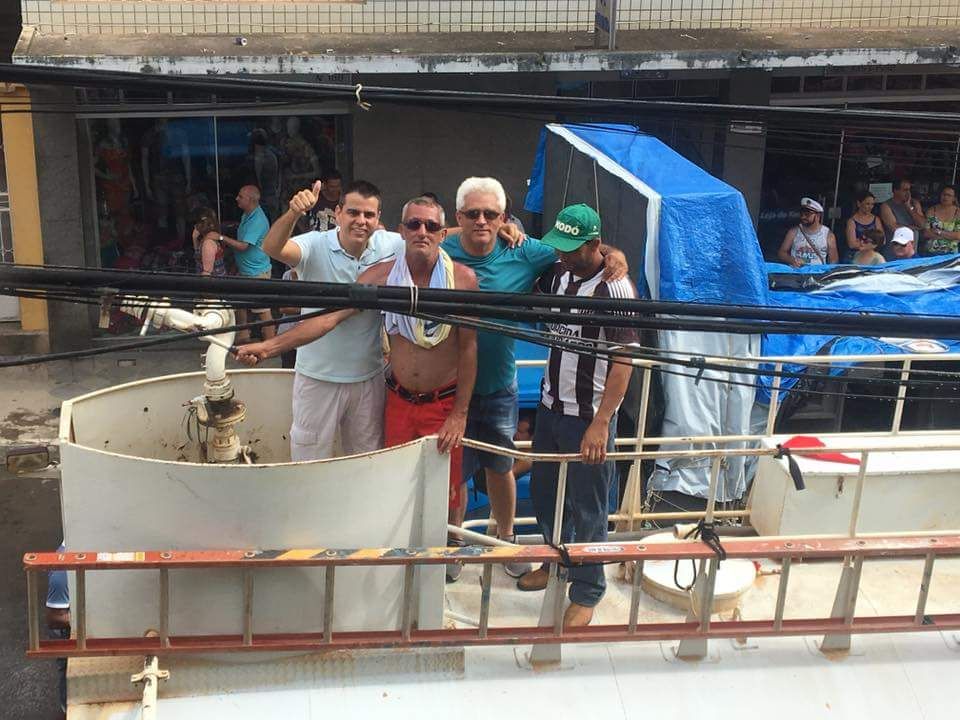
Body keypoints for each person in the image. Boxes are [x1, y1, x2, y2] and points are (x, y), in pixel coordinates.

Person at [442, 177, 628, 579]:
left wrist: (616, 256)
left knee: (514, 472)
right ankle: (460, 547)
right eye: (472, 214)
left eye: (490, 214)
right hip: (467, 392)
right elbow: (420, 235)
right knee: (466, 477)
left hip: (520, 392)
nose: (481, 221)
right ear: (459, 216)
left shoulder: (540, 258)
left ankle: (558, 570)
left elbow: (624, 358)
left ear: (504, 217)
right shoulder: (443, 248)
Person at [516, 204, 638, 628]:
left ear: (594, 244)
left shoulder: (615, 289)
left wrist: (601, 423)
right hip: (551, 408)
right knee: (546, 494)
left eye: (572, 248)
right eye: (560, 247)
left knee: (588, 505)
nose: (563, 255)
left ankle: (587, 590)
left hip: (590, 417)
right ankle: (556, 561)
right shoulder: (558, 274)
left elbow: (623, 362)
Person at [245, 179, 402, 461]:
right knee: (309, 461)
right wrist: (294, 213)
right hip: (317, 378)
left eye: (368, 214)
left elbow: (431, 238)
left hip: (368, 378)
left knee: (367, 461)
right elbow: (272, 247)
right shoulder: (316, 244)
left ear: (378, 218)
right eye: (353, 212)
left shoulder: (389, 244)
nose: (361, 221)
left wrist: (490, 225)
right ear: (338, 213)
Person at [216, 185, 276, 341]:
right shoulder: (247, 214)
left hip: (257, 272)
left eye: (240, 196)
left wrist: (221, 237)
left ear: (250, 200)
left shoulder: (257, 220)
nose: (237, 198)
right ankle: (243, 335)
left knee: (262, 310)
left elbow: (243, 246)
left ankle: (272, 344)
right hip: (246, 269)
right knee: (240, 302)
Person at [776, 197, 839, 267]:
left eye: (807, 215)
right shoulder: (793, 232)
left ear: (818, 216)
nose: (803, 217)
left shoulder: (828, 234)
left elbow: (833, 260)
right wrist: (792, 260)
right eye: (801, 214)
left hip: (817, 272)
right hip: (796, 272)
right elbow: (781, 253)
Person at [879, 178, 926, 247]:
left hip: (912, 247)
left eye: (909, 190)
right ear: (895, 191)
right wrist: (913, 227)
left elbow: (923, 224)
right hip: (895, 248)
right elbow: (894, 227)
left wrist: (909, 207)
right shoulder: (886, 206)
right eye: (905, 190)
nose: (908, 193)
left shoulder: (915, 203)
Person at [844, 190, 885, 261]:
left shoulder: (876, 219)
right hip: (855, 255)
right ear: (859, 204)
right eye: (867, 204)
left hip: (872, 255)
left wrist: (860, 242)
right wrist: (872, 243)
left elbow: (882, 240)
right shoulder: (851, 221)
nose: (870, 207)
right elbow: (852, 244)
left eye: (872, 204)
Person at [922, 184, 960, 256]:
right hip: (931, 251)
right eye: (943, 194)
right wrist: (949, 236)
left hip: (951, 253)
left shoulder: (958, 213)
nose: (945, 197)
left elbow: (958, 235)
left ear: (954, 198)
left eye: (949, 195)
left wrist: (939, 232)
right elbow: (926, 233)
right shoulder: (931, 211)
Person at [191, 208, 227, 277]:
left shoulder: (208, 243)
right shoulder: (207, 239)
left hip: (214, 282)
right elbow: (199, 257)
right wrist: (194, 238)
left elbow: (206, 273)